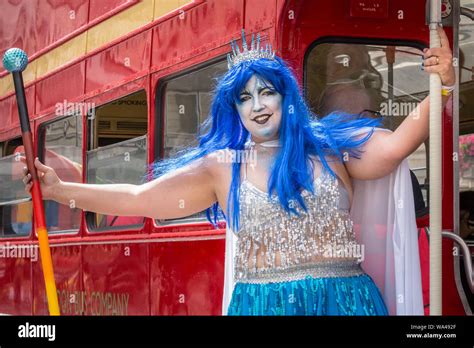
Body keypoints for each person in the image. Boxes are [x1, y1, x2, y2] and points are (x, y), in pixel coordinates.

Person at [21, 28, 455, 316]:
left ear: (287, 99)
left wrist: (446, 83)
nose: (258, 105)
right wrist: (60, 191)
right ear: (234, 109)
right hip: (264, 305)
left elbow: (398, 146)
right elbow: (139, 199)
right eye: (244, 98)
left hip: (343, 301)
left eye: (267, 92)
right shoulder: (221, 168)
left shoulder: (331, 146)